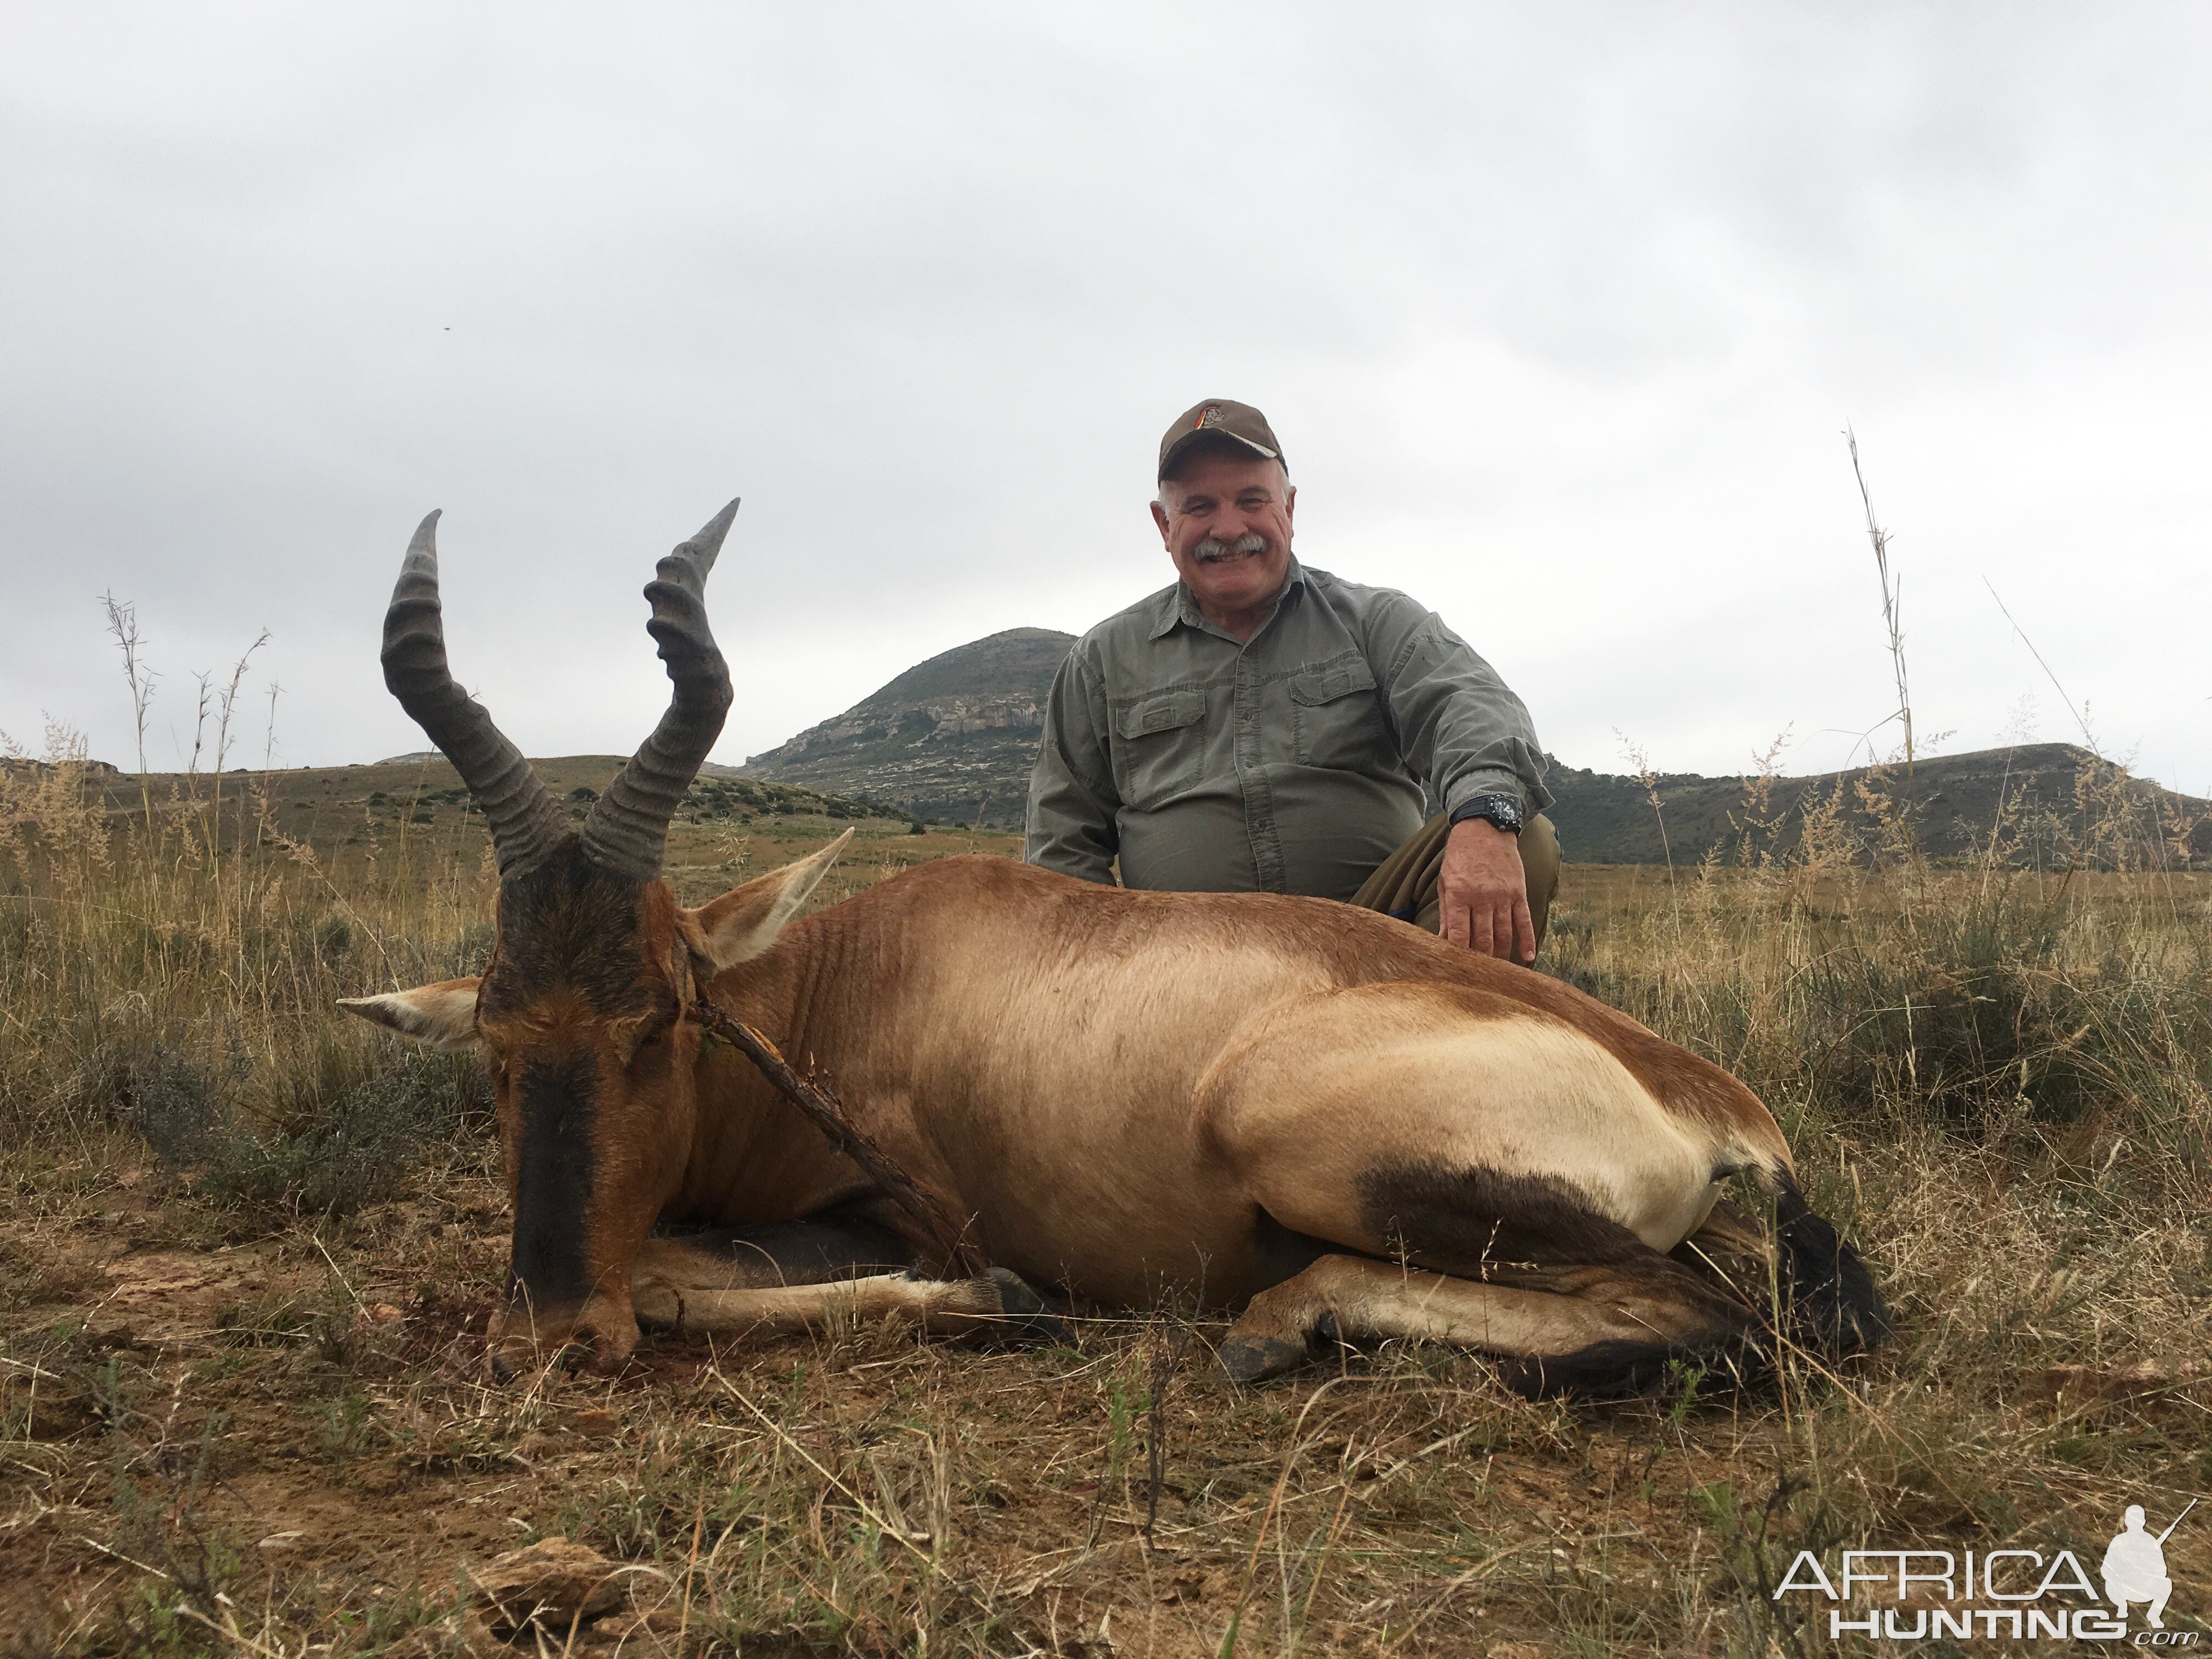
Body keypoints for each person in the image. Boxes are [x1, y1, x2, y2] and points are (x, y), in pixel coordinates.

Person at [1025, 398, 1559, 961]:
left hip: (1373, 946)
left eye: (1251, 500)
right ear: (1163, 523)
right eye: (1200, 507)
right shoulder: (1102, 660)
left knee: (1526, 840)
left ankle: (1433, 1040)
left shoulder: (1376, 621)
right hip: (1177, 972)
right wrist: (1106, 967)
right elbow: (1062, 844)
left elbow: (1470, 704)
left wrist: (1484, 821)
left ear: (1289, 506)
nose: (1228, 529)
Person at [2102, 1506, 2173, 1629]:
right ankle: (2122, 1606)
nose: (2135, 1523)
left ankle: (2154, 1615)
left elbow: (2162, 1570)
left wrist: (2147, 1566)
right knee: (2110, 1583)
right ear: (2127, 1522)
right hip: (2122, 1588)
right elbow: (2106, 1569)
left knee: (2166, 1584)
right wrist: (2122, 1572)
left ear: (2144, 1522)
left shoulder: (2151, 1541)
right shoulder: (2119, 1541)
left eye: (2138, 1520)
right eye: (2132, 1520)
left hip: (2144, 1588)